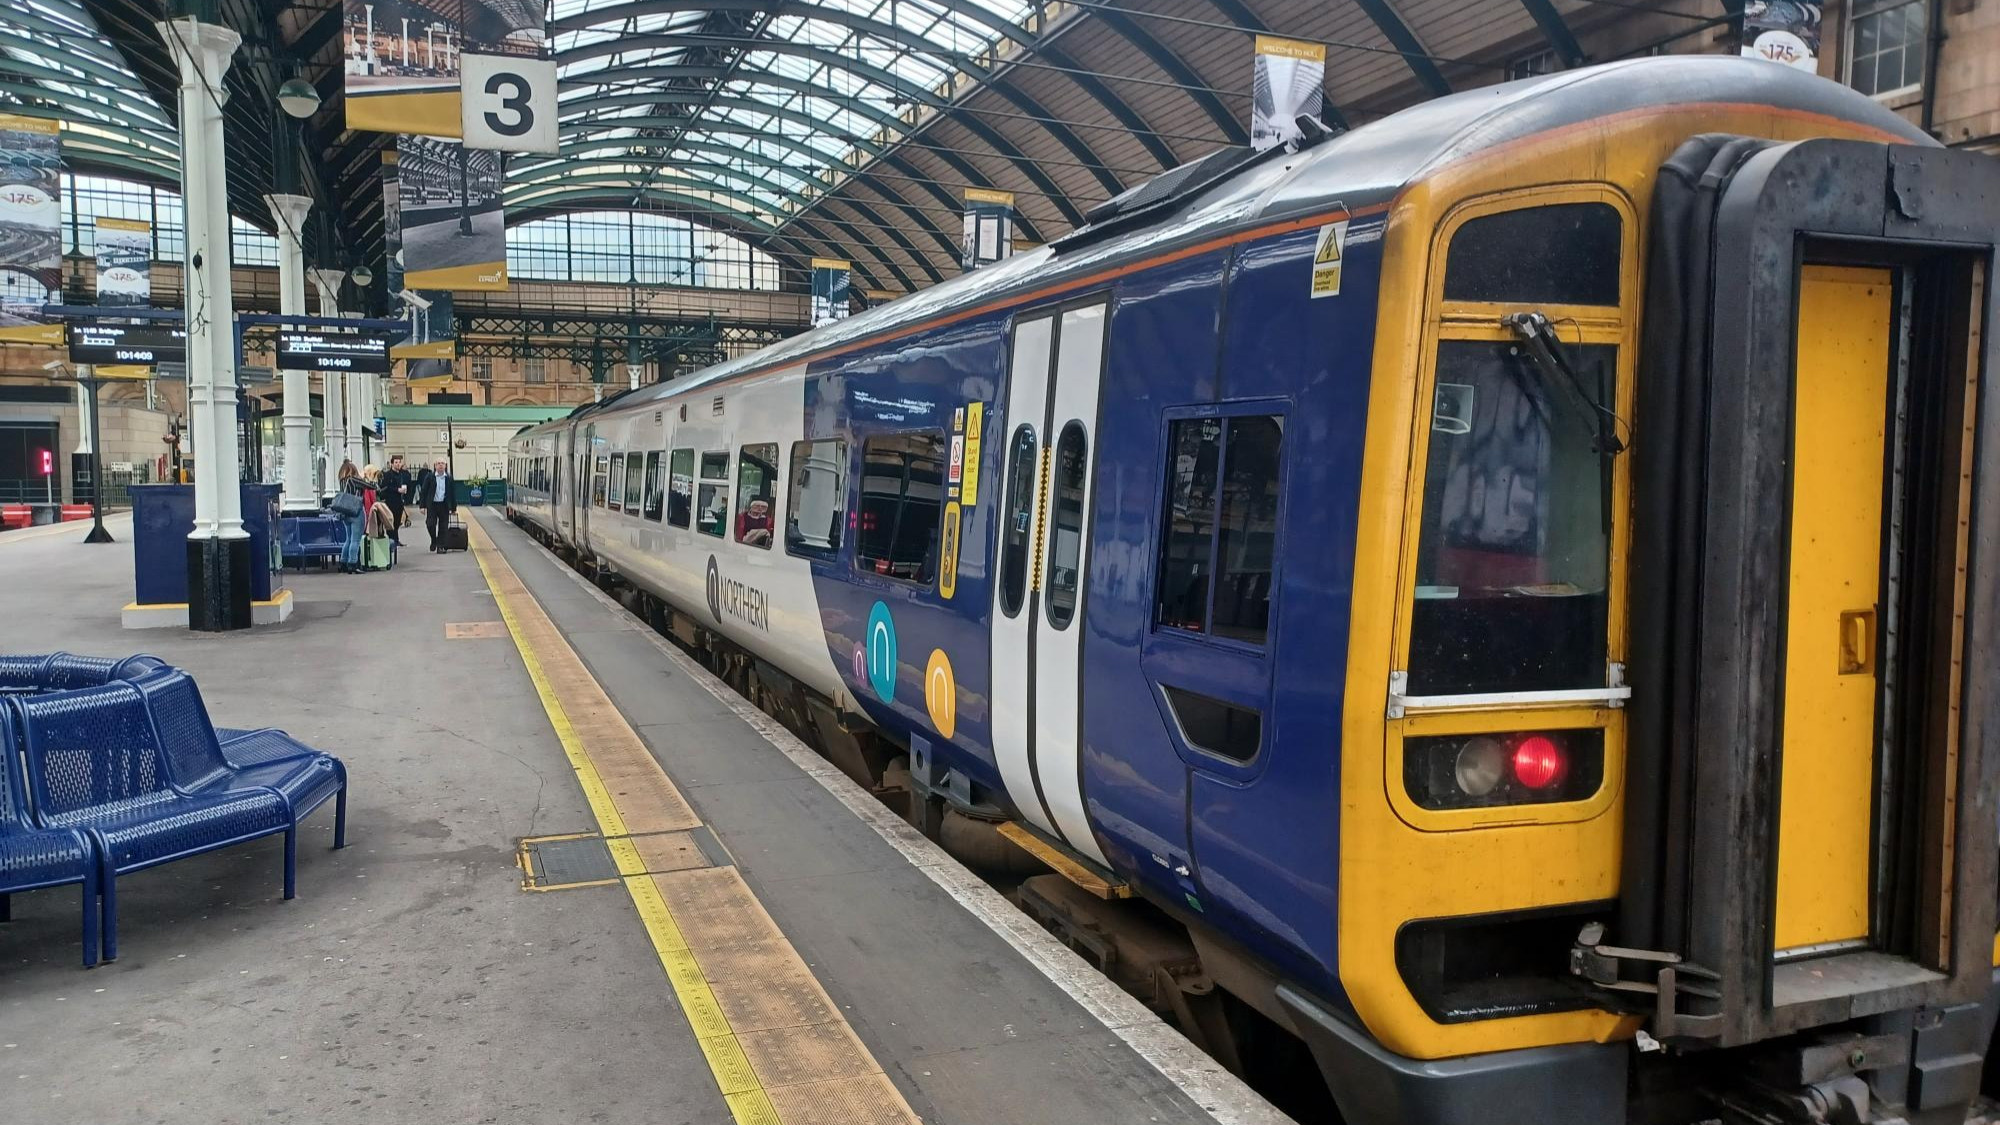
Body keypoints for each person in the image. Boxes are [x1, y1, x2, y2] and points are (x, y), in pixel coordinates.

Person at [334, 461, 369, 574]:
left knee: (348, 539)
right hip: (356, 512)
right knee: (355, 540)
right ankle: (353, 564)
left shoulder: (342, 481)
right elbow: (371, 486)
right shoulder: (355, 480)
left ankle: (343, 563)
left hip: (345, 513)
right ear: (353, 470)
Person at [416, 458, 456, 552]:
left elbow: (452, 493)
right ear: (435, 466)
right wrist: (422, 506)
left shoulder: (449, 478)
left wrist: (453, 508)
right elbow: (424, 491)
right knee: (430, 524)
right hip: (432, 505)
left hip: (444, 505)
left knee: (443, 527)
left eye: (442, 463)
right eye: (438, 463)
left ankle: (440, 546)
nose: (440, 465)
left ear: (445, 466)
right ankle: (434, 540)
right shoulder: (430, 477)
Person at [378, 454, 412, 545]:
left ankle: (395, 539)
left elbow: (407, 484)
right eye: (396, 462)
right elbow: (385, 487)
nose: (398, 464)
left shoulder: (402, 474)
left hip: (400, 501)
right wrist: (397, 490)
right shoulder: (387, 475)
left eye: (399, 462)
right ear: (392, 464)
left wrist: (405, 492)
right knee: (390, 521)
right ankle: (392, 540)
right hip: (390, 501)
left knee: (397, 522)